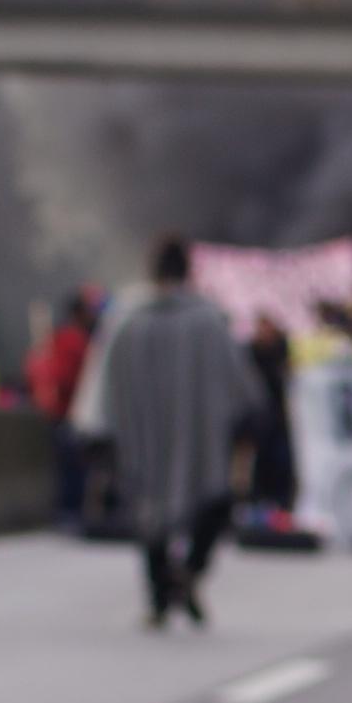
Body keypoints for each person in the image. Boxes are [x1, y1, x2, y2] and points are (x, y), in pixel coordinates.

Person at [99, 235, 261, 629]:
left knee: (148, 512)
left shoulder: (126, 320)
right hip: (201, 438)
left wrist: (105, 435)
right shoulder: (209, 321)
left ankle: (161, 593)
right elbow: (242, 386)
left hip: (144, 439)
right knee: (212, 503)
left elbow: (101, 388)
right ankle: (188, 574)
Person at [28, 288, 98, 532]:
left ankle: (68, 512)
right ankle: (69, 513)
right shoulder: (73, 340)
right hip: (68, 413)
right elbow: (70, 377)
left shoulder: (62, 338)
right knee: (72, 468)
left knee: (70, 467)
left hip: (63, 413)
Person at [243, 312, 298, 512]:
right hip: (260, 420)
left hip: (281, 420)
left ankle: (281, 504)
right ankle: (259, 502)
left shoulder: (284, 352)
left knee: (281, 462)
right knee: (261, 463)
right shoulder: (251, 353)